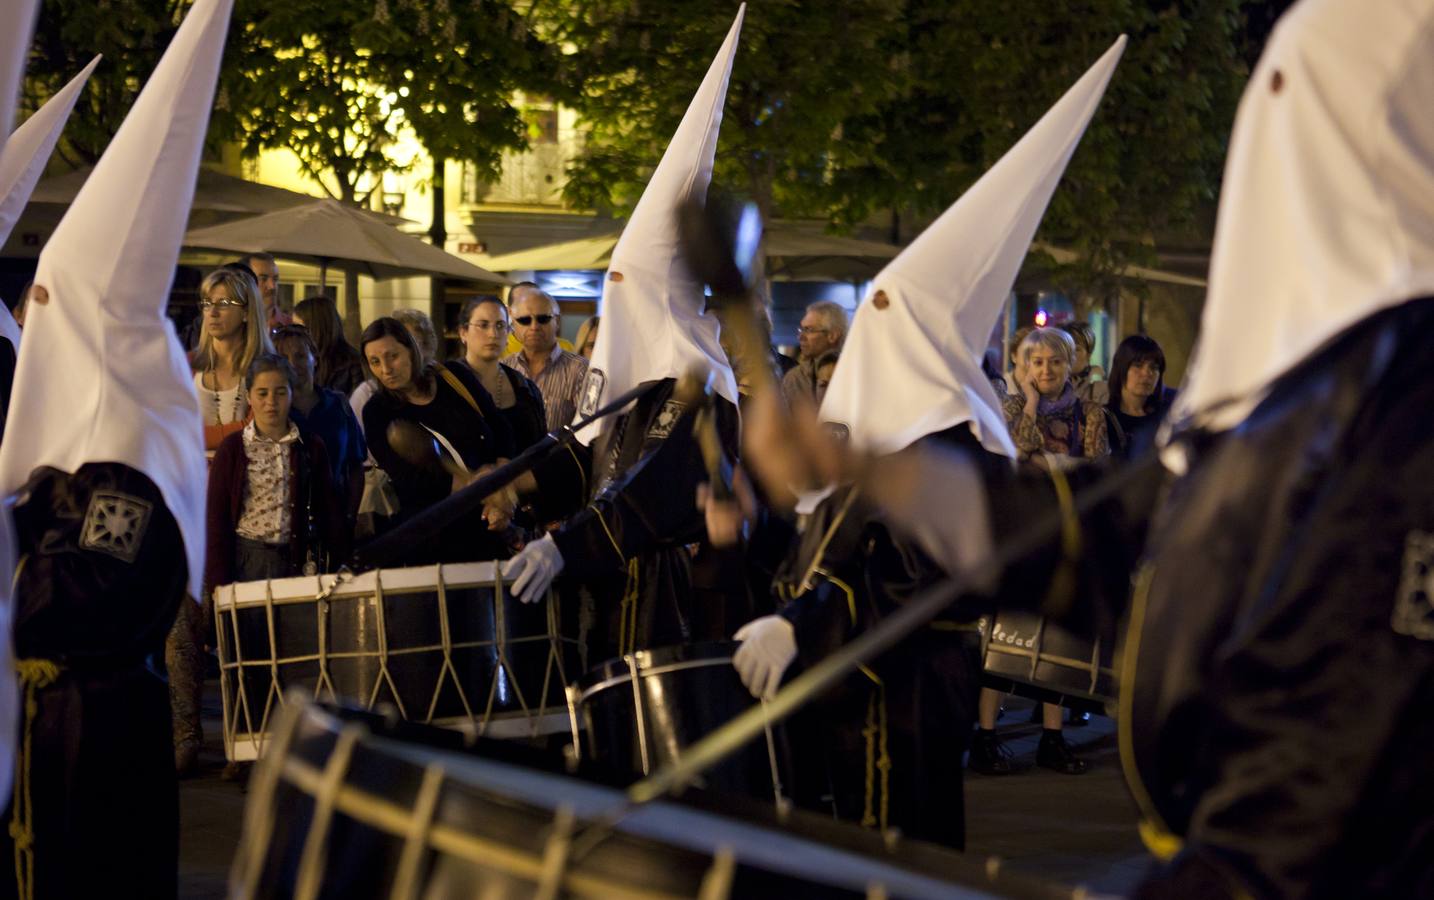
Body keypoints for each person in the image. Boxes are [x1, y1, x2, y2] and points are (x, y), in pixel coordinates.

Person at [717, 35, 1125, 846]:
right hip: (855, 681)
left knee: (896, 844)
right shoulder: (886, 437)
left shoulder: (953, 440)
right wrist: (762, 527)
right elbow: (830, 533)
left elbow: (912, 582)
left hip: (900, 685)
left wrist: (810, 623)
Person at [0, 0, 227, 892]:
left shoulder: (129, 450)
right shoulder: (84, 455)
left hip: (95, 736)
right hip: (51, 723)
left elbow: (93, 592)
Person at [503, 10, 745, 665]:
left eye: (623, 286)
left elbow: (651, 494)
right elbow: (584, 457)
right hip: (608, 584)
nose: (614, 300)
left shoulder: (699, 391)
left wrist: (570, 544)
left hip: (665, 598)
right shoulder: (631, 390)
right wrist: (514, 484)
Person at [987, 324, 1106, 774]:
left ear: (1069, 363)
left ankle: (1052, 737)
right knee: (1004, 635)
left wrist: (1046, 465)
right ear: (1024, 366)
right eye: (1036, 361)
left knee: (1054, 638)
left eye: (1055, 361)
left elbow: (1095, 468)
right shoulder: (1012, 406)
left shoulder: (1089, 413)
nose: (1046, 369)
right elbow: (1011, 458)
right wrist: (1032, 408)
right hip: (1018, 533)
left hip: (1064, 532)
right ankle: (986, 734)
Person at [360, 316, 516, 562]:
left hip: (489, 525)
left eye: (393, 356)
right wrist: (482, 491)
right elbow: (412, 481)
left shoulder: (453, 377)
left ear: (411, 350)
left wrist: (504, 489)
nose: (386, 369)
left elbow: (499, 425)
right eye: (375, 362)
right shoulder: (377, 413)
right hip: (435, 538)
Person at [206, 353, 346, 589]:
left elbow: (329, 508)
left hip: (298, 557)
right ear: (249, 396)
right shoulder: (233, 448)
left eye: (280, 392)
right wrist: (218, 583)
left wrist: (341, 560)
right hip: (249, 559)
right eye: (262, 393)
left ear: (291, 395)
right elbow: (216, 518)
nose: (271, 401)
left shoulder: (309, 446)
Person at [272, 326, 366, 530]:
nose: (292, 364)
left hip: (335, 519)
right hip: (286, 524)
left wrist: (350, 516)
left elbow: (356, 466)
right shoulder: (273, 412)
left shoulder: (338, 405)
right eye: (283, 357)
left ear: (314, 358)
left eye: (300, 355)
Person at [191, 265, 274, 452]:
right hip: (192, 478)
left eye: (224, 303)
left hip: (244, 476)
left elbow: (259, 428)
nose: (212, 312)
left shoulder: (266, 368)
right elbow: (172, 428)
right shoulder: (187, 364)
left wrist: (193, 436)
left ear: (246, 312)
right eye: (207, 303)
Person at [455, 296, 548, 452]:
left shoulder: (526, 389)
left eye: (500, 325)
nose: (493, 333)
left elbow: (540, 449)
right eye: (483, 325)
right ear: (463, 332)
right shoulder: (447, 382)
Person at [501, 282, 588, 431]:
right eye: (525, 320)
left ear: (557, 321)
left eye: (543, 319)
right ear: (513, 324)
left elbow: (588, 431)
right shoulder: (503, 369)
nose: (534, 327)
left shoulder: (580, 370)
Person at [1104, 334, 1175, 460]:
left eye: (1154, 367)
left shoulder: (1166, 416)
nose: (1146, 373)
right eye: (1138, 365)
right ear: (1121, 368)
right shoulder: (1101, 418)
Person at [293, 293, 365, 395]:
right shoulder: (300, 360)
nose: (294, 334)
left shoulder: (352, 364)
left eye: (298, 328)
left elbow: (354, 406)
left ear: (316, 328)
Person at [781, 300, 847, 408]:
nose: (801, 337)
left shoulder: (858, 372)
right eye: (801, 330)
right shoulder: (795, 379)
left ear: (833, 335)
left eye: (809, 330)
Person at [1060, 319, 1108, 405]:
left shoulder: (1101, 390)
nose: (1070, 354)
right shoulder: (1049, 385)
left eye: (1077, 349)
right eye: (1066, 348)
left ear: (1088, 354)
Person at [241, 251, 290, 331]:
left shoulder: (291, 328)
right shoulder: (233, 327)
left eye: (275, 279)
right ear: (244, 282)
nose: (272, 286)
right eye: (263, 279)